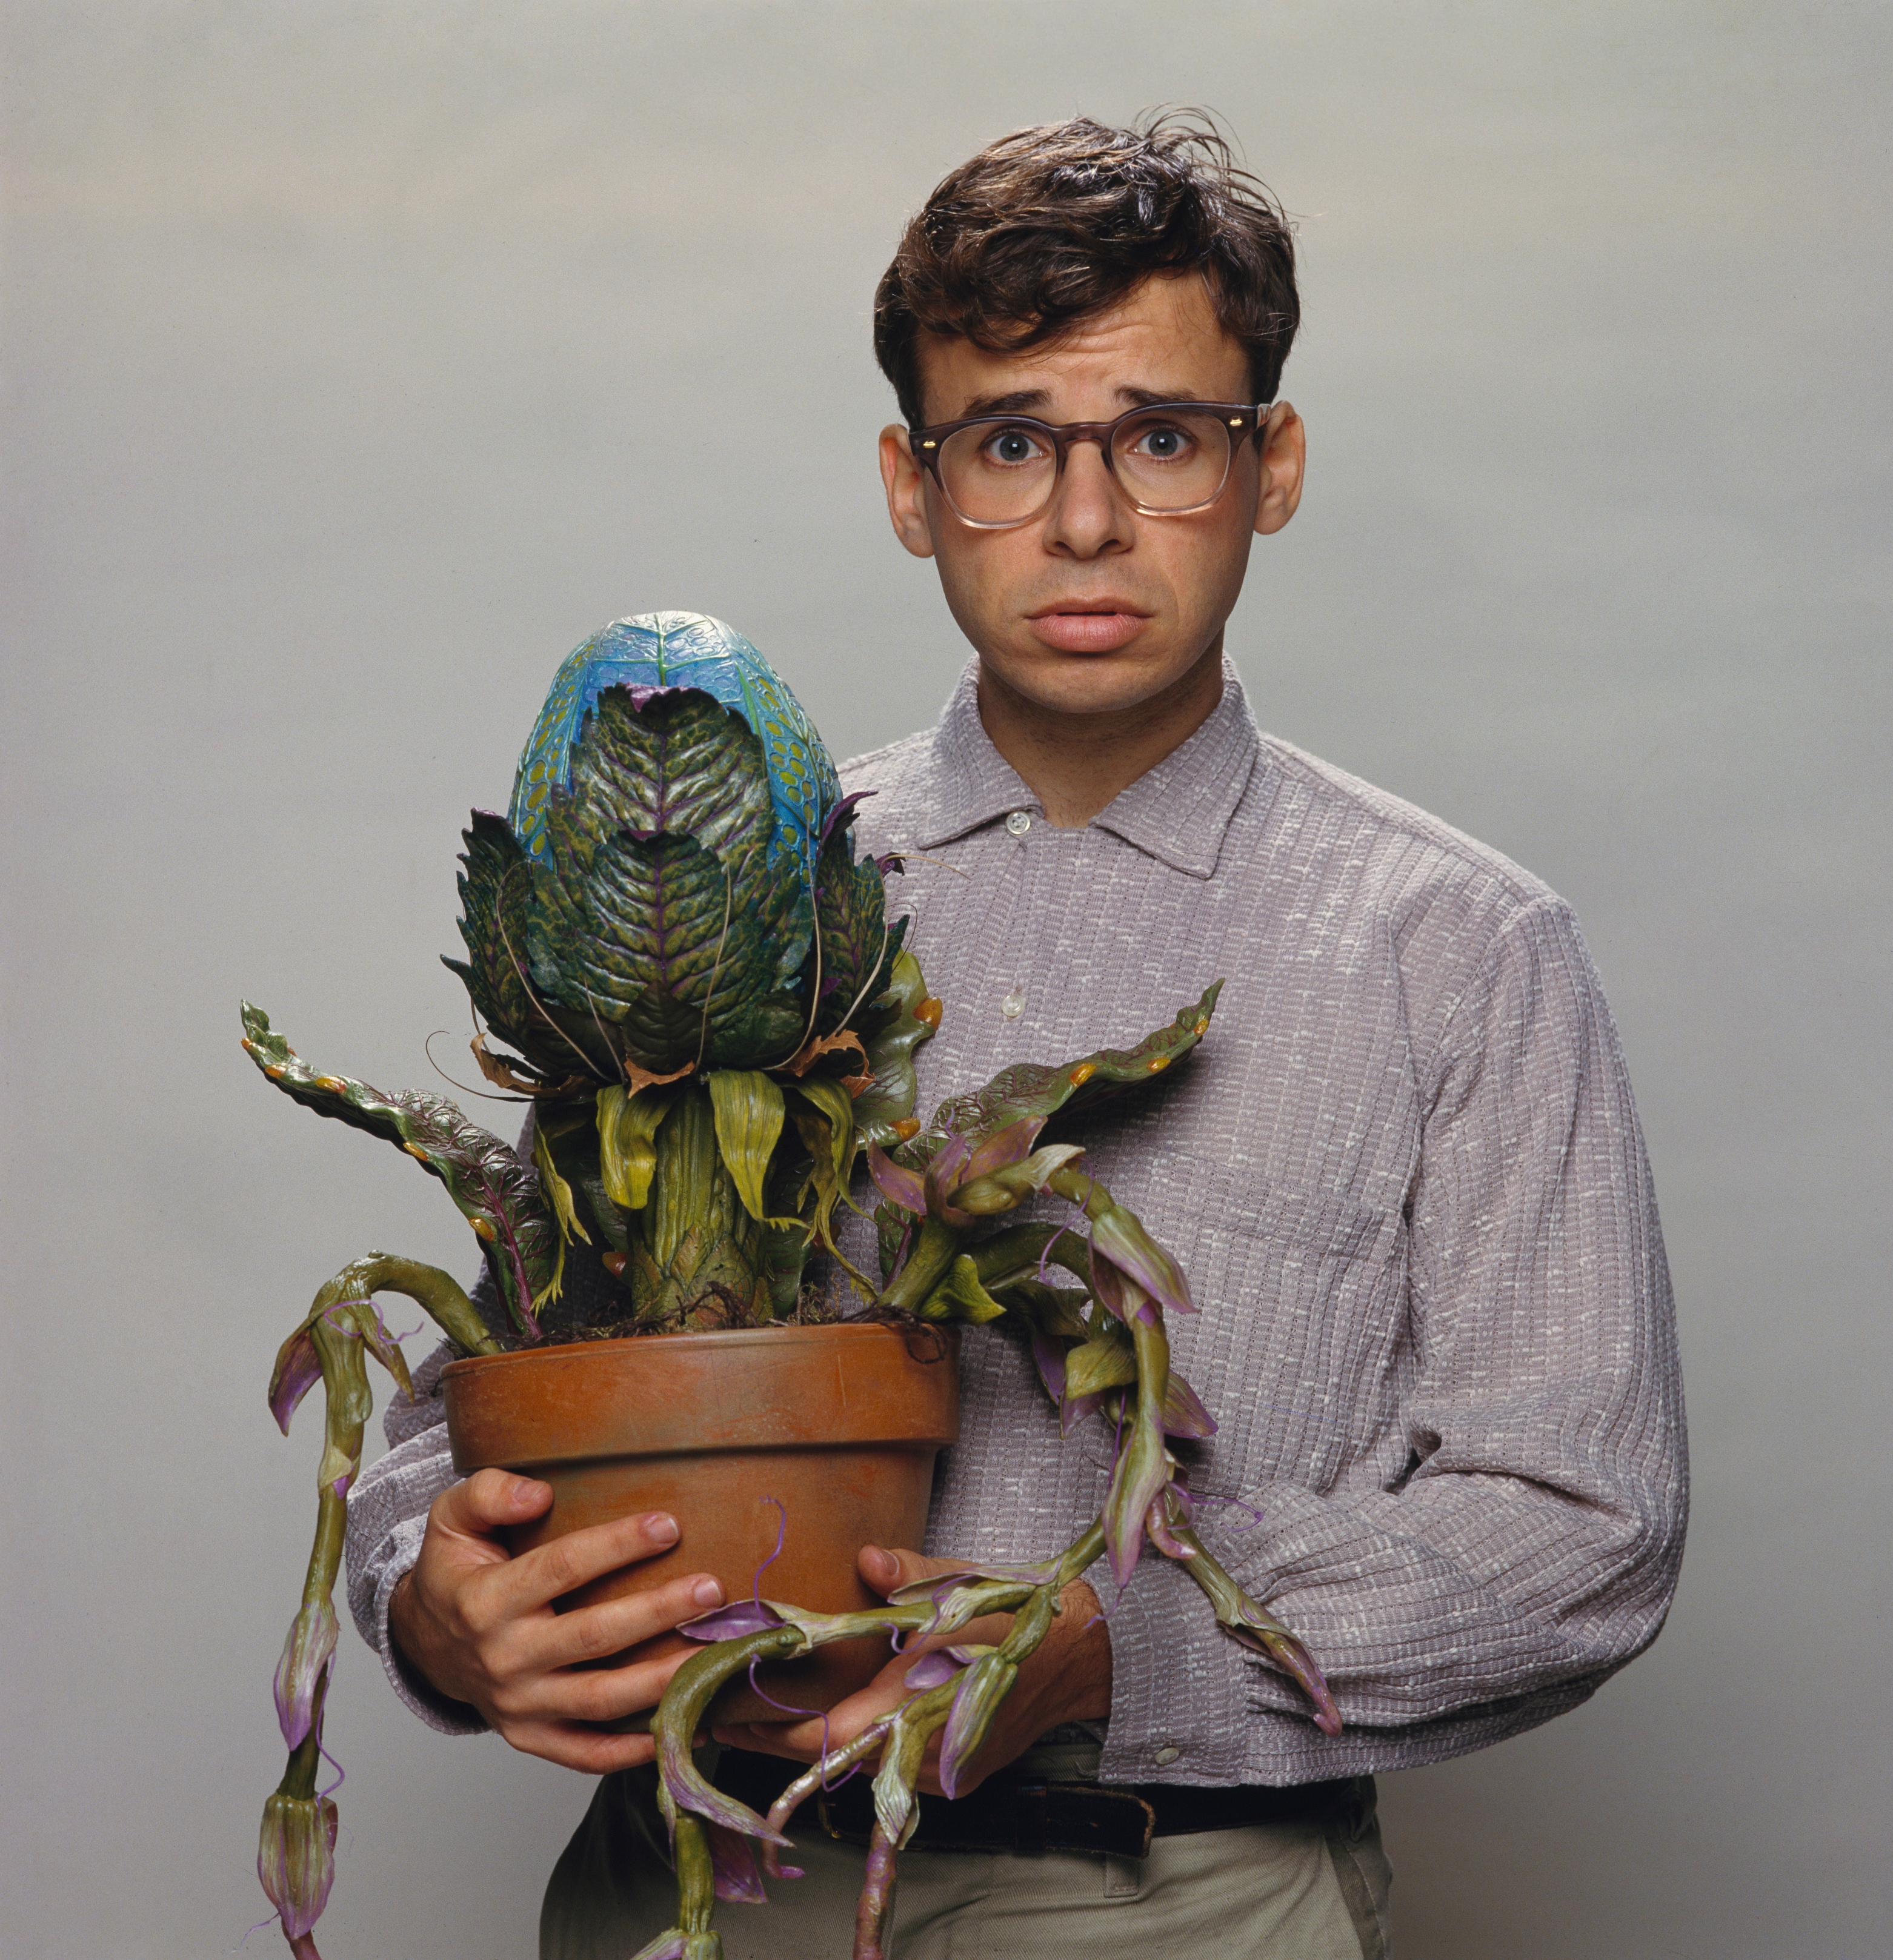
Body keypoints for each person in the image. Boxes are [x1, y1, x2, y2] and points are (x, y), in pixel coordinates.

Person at [346, 115, 1688, 1960]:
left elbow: (1576, 1526)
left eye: (1159, 437)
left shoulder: (1454, 946)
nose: (1081, 519)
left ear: (1269, 462)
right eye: (1006, 443)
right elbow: (486, 1388)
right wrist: (429, 1601)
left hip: (1184, 1895)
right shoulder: (732, 870)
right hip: (712, 1888)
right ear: (911, 485)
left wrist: (1107, 1659)